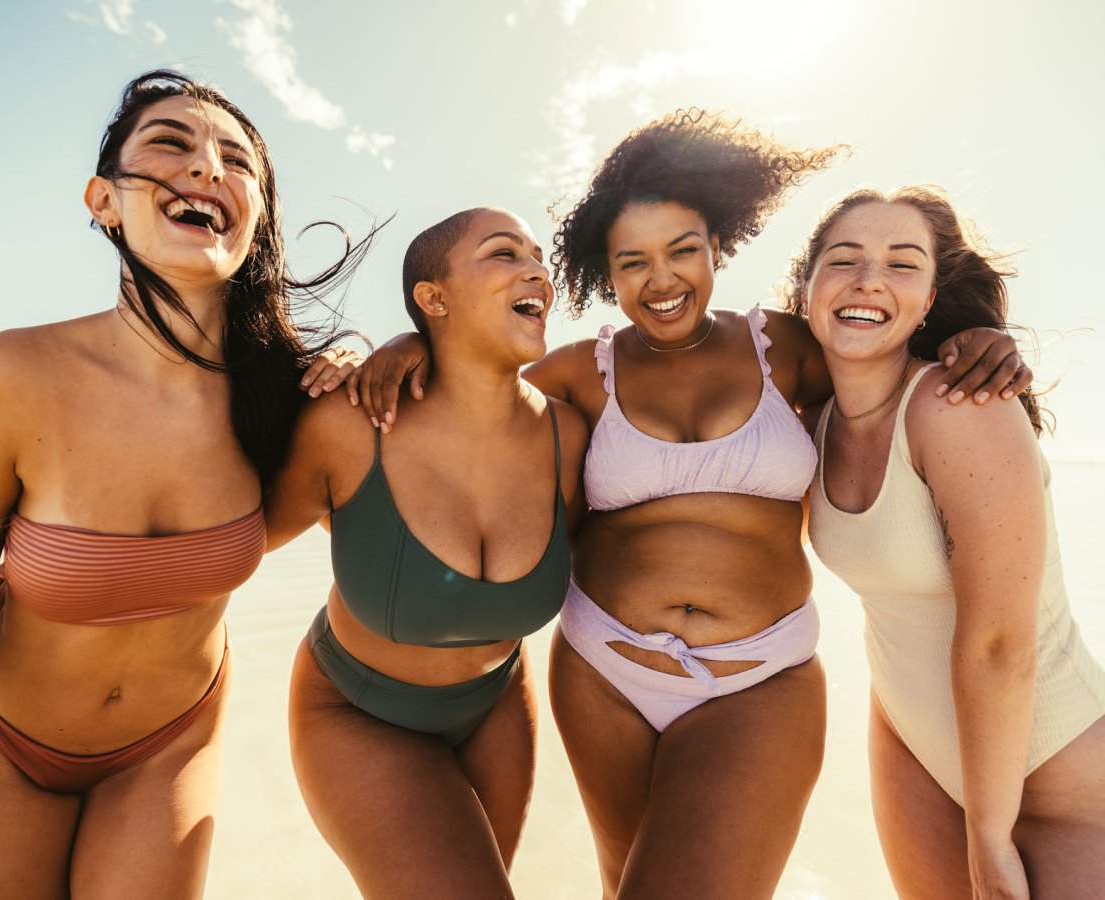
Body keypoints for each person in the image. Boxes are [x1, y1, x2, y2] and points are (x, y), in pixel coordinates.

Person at [355, 110, 1031, 898]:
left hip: (759, 681)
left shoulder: (789, 349)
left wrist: (975, 339)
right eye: (633, 261)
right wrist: (408, 341)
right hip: (603, 672)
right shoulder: (578, 373)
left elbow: (882, 349)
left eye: (684, 251)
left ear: (719, 249)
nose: (663, 279)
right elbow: (467, 391)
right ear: (605, 274)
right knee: (622, 882)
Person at [0, 70, 367, 900]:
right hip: (2, 739)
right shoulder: (5, 377)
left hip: (169, 746)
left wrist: (395, 355)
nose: (206, 168)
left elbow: (400, 491)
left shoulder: (291, 401)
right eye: (170, 143)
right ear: (104, 200)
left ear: (254, 216)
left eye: (235, 160)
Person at [787, 186, 1105, 899]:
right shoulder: (809, 424)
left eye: (903, 265)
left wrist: (989, 836)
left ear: (931, 299)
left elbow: (1000, 644)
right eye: (844, 260)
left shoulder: (959, 406)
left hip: (1062, 783)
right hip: (913, 748)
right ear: (807, 285)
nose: (869, 279)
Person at [265, 207, 587, 899]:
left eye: (538, 257)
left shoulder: (570, 438)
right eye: (504, 254)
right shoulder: (349, 425)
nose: (538, 271)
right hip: (355, 711)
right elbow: (233, 543)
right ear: (433, 299)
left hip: (499, 705)